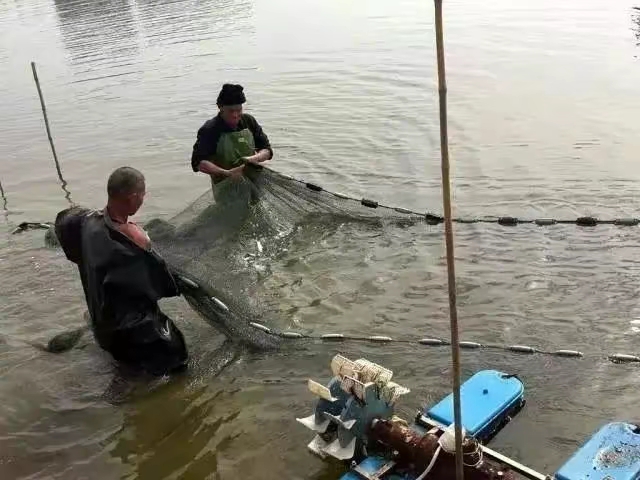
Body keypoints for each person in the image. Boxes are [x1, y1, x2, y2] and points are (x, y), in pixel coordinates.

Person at [54, 166, 190, 376]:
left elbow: (64, 220)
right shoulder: (134, 241)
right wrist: (144, 243)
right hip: (134, 333)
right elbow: (164, 285)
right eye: (142, 196)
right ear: (133, 197)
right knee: (177, 360)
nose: (143, 201)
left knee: (124, 372)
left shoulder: (85, 222)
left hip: (103, 325)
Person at [190, 83, 273, 193]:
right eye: (230, 111)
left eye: (238, 110)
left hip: (253, 181)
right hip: (224, 185)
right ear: (220, 108)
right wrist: (227, 173)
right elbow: (198, 162)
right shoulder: (210, 129)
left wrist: (255, 158)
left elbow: (267, 150)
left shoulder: (249, 121)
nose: (235, 115)